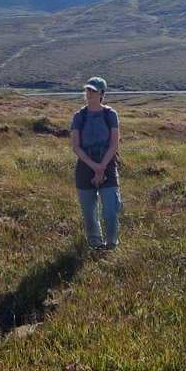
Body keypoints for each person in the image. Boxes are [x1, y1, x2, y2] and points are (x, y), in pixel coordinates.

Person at [70, 76, 121, 249]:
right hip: (85, 166)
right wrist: (94, 167)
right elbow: (76, 147)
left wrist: (102, 167)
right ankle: (95, 244)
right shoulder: (79, 116)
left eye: (94, 91)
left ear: (102, 94)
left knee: (111, 210)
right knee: (89, 212)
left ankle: (111, 244)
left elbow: (114, 144)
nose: (89, 93)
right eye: (88, 90)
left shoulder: (110, 114)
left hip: (107, 164)